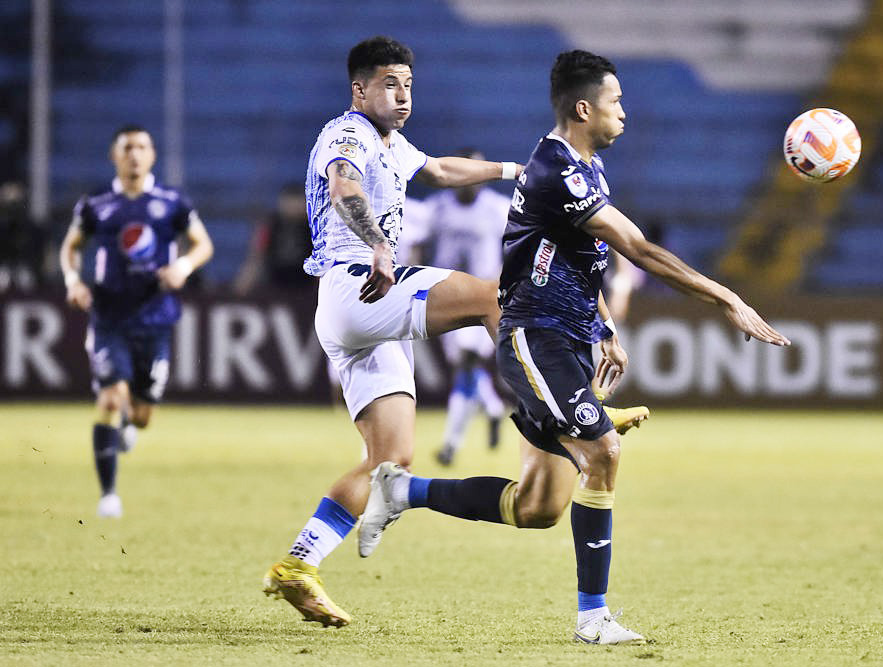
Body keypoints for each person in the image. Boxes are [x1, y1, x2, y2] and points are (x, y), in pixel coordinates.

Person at [358, 50, 790, 645]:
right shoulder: (557, 170)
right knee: (604, 453)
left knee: (537, 507)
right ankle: (594, 619)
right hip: (535, 339)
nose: (624, 114)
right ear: (584, 108)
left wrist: (605, 323)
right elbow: (638, 250)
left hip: (567, 339)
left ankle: (402, 491)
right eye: (615, 103)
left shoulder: (582, 165)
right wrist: (727, 299)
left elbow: (576, 254)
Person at [261, 36, 647, 629]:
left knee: (388, 460)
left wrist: (510, 169)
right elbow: (344, 188)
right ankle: (572, 413)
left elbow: (439, 170)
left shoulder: (391, 142)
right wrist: (380, 246)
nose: (403, 95)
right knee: (500, 299)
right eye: (390, 83)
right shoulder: (346, 136)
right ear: (359, 89)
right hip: (360, 284)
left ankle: (298, 565)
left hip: (356, 314)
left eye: (409, 85)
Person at [59, 124, 214, 518]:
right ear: (114, 155)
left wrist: (182, 265)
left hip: (155, 315)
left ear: (153, 155)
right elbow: (71, 248)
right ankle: (108, 495)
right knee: (110, 397)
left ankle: (131, 421)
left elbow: (203, 244)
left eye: (142, 147)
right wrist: (74, 280)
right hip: (109, 314)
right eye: (127, 147)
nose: (134, 154)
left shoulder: (171, 202)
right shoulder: (96, 203)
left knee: (142, 416)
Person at [406, 150, 510, 466]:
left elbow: (516, 245)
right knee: (465, 367)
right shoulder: (437, 208)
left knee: (465, 363)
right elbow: (417, 243)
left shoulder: (498, 208)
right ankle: (492, 407)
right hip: (445, 293)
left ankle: (451, 444)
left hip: (485, 293)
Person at [232, 182, 315, 296]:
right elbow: (257, 256)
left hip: (307, 287)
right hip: (275, 284)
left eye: (298, 201)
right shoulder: (271, 225)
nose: (294, 206)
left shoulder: (314, 227)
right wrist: (242, 286)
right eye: (289, 201)